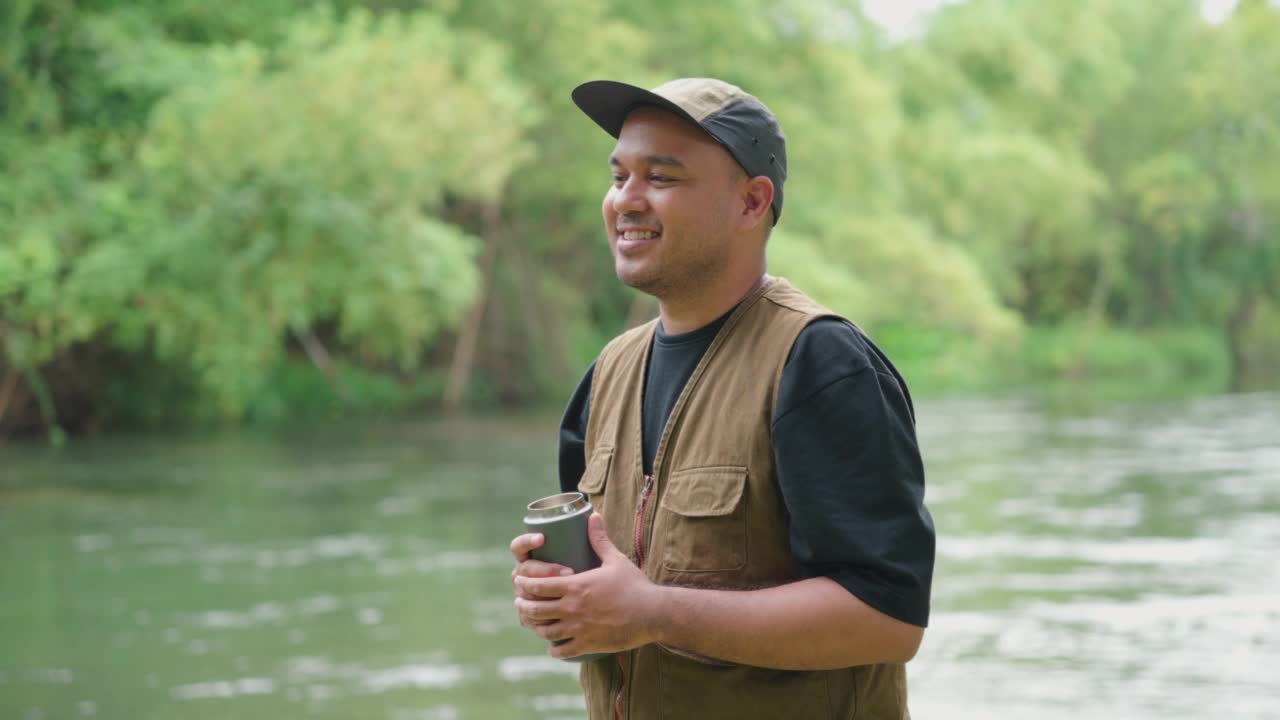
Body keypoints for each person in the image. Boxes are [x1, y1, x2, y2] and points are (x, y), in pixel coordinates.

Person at [509, 77, 935, 720]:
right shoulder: (607, 375)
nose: (627, 199)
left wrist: (651, 611)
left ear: (751, 202)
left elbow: (888, 620)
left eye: (663, 177)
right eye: (619, 175)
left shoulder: (820, 363)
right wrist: (569, 608)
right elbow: (610, 618)